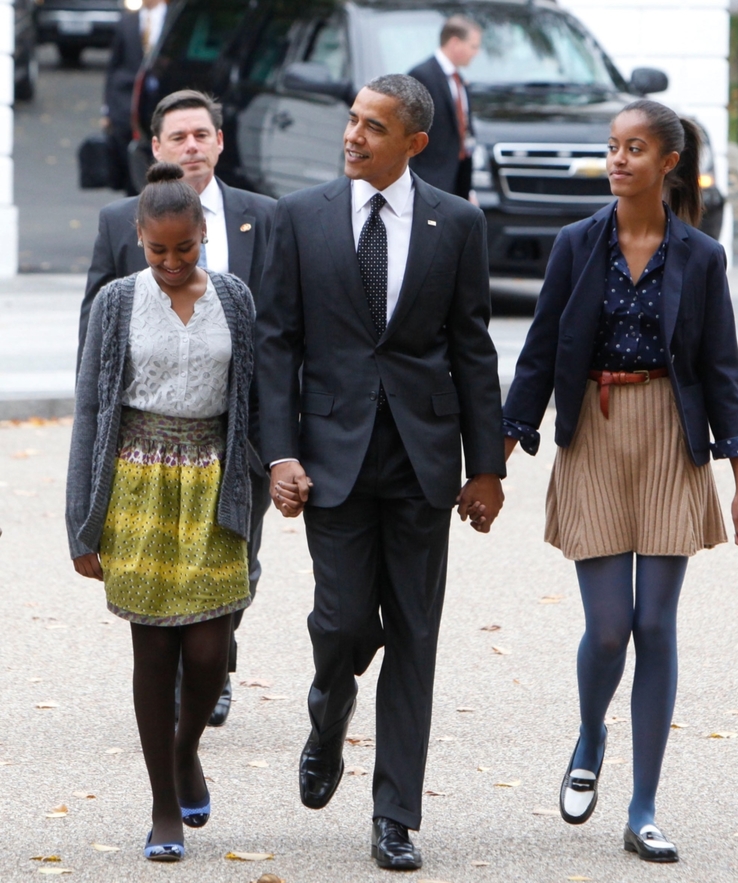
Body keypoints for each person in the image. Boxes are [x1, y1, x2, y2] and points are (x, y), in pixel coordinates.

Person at [256, 74, 505, 871]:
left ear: (415, 143)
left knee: (415, 635)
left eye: (374, 126)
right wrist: (281, 453)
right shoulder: (301, 218)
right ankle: (328, 713)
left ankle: (395, 813)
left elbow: (471, 345)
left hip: (422, 460)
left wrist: (486, 464)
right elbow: (276, 345)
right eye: (353, 120)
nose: (353, 136)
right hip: (331, 457)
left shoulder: (457, 222)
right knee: (341, 623)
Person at [503, 99, 738, 862]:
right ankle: (590, 733)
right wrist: (502, 451)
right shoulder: (577, 244)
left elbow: (722, 370)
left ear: (667, 163)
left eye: (635, 148)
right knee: (611, 626)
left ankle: (643, 805)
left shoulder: (700, 257)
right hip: (596, 434)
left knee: (656, 625)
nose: (618, 160)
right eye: (612, 147)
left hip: (670, 439)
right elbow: (542, 348)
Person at [67, 162, 256, 862]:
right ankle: (162, 803)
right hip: (138, 484)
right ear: (140, 240)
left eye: (185, 248)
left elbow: (252, 401)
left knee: (210, 650)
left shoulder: (235, 298)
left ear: (204, 233)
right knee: (153, 648)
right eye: (158, 250)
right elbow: (90, 411)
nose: (173, 262)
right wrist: (81, 523)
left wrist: (277, 471)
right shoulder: (116, 303)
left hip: (212, 483)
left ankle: (186, 748)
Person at [79, 89, 276, 727]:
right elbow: (97, 348)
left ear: (220, 140)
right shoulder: (118, 225)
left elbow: (278, 341)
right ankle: (187, 693)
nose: (191, 145)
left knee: (231, 577)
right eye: (178, 136)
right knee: (158, 602)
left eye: (202, 134)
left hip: (229, 446)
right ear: (158, 148)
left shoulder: (264, 217)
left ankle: (212, 664)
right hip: (145, 453)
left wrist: (280, 446)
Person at [408, 15, 482, 200]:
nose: (476, 53)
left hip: (456, 183)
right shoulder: (422, 76)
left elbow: (464, 134)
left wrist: (468, 189)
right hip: (429, 182)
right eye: (473, 46)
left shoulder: (460, 81)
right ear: (455, 42)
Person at [102, 0, 167, 195]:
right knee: (130, 157)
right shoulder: (127, 21)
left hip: (159, 101)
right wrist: (107, 110)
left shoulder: (172, 18)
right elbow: (114, 67)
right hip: (126, 104)